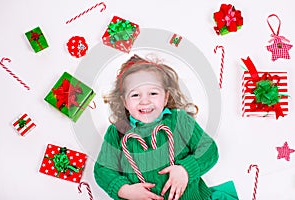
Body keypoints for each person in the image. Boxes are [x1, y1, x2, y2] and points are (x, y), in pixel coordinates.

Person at [94, 54, 239, 200]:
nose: (145, 100)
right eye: (135, 95)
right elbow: (103, 170)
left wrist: (185, 170)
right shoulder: (117, 132)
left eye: (153, 93)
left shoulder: (179, 120)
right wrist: (124, 190)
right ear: (125, 102)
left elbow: (209, 150)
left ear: (165, 97)